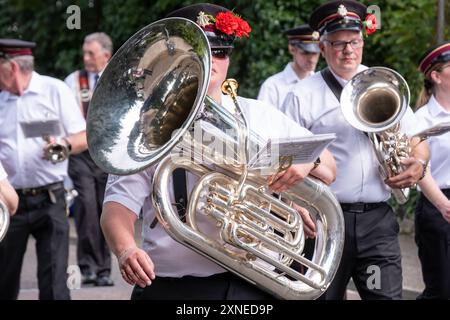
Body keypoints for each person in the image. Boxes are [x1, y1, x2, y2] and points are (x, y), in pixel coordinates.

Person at [100, 3, 337, 300]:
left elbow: (328, 164)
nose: (213, 61)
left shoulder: (260, 115)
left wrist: (305, 163)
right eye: (203, 51)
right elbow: (116, 209)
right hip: (175, 288)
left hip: (255, 285)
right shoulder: (149, 129)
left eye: (221, 52)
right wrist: (126, 250)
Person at [281, 0, 430, 300]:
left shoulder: (383, 81)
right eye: (338, 43)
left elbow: (416, 138)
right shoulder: (301, 95)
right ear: (322, 48)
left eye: (354, 41)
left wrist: (419, 163)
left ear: (362, 42)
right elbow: (287, 157)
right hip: (325, 220)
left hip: (377, 221)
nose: (348, 50)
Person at [0, 39, 87, 300]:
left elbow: (83, 136)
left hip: (50, 199)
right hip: (9, 201)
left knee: (54, 282)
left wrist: (64, 144)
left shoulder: (54, 90)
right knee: (3, 280)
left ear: (11, 67)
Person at [64, 32, 114, 286]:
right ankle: (88, 267)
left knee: (107, 209)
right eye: (84, 52)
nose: (85, 58)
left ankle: (105, 269)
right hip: (82, 155)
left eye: (90, 53)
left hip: (108, 154)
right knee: (85, 208)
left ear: (106, 55)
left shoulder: (117, 79)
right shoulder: (73, 81)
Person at [414, 41, 450, 300]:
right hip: (438, 204)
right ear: (436, 76)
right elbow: (420, 168)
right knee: (441, 290)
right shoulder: (422, 119)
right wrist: (443, 205)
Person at [257, 24, 320, 109]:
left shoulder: (320, 84)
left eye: (315, 53)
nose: (312, 59)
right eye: (305, 53)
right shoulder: (272, 87)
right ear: (292, 49)